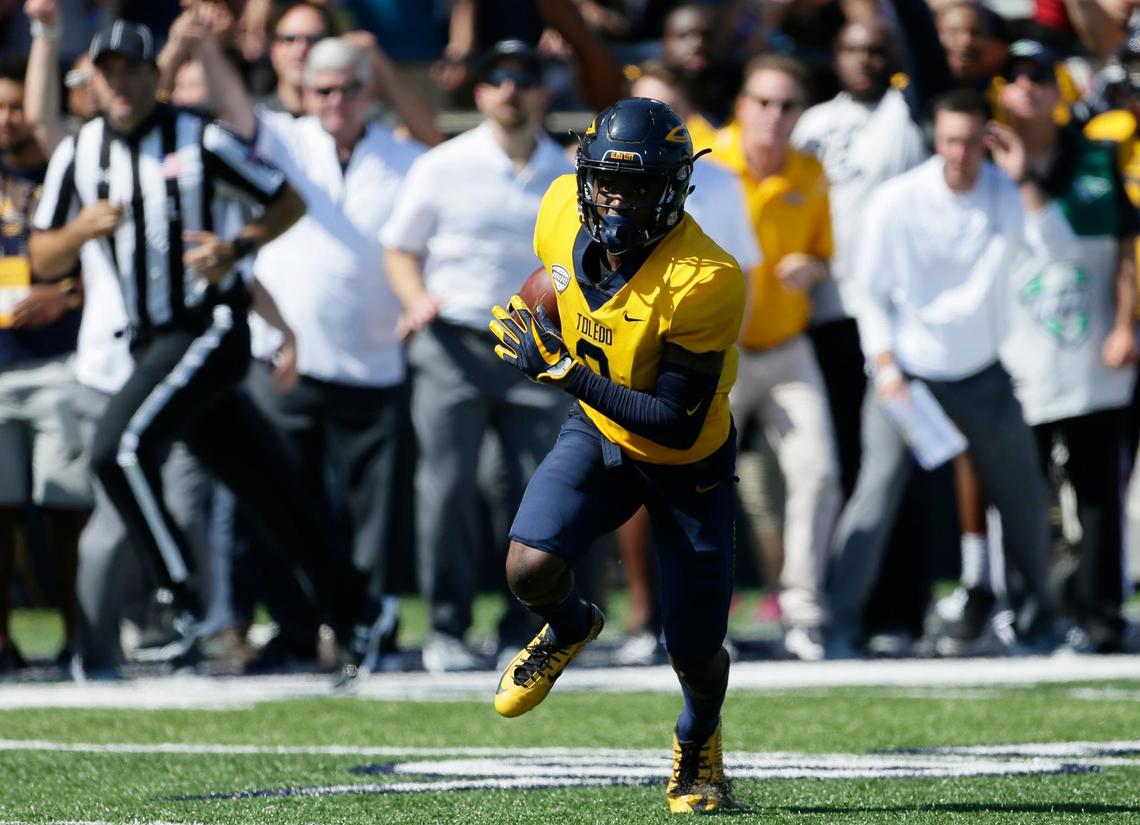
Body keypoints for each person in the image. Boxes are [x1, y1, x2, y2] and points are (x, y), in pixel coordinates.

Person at [27, 20, 371, 665]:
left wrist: (235, 246)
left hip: (211, 326)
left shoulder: (200, 136)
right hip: (151, 339)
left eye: (133, 70)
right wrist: (78, 233)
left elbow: (288, 202)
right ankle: (357, 608)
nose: (122, 83)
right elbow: (43, 256)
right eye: (110, 72)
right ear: (95, 80)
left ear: (154, 74)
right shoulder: (82, 150)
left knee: (118, 452)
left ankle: (177, 597)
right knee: (269, 489)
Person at [488, 98, 744, 813]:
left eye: (638, 187)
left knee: (693, 645)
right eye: (608, 182)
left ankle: (699, 745)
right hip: (600, 429)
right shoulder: (561, 212)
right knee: (527, 566)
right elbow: (553, 281)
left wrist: (563, 372)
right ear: (585, 178)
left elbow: (669, 419)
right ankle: (571, 624)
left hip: (686, 461)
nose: (618, 200)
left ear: (674, 190)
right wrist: (524, 313)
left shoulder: (705, 277)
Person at [193, 25, 425, 670]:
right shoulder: (283, 139)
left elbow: (435, 160)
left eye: (349, 88)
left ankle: (365, 628)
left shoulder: (402, 155)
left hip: (375, 359)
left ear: (368, 88)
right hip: (286, 360)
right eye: (321, 89)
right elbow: (234, 109)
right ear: (304, 89)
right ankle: (297, 630)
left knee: (370, 519)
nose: (335, 101)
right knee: (276, 506)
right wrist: (206, 46)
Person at [826, 89, 1075, 657]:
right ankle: (839, 626)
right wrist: (885, 363)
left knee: (1025, 498)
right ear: (936, 141)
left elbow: (1056, 249)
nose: (960, 153)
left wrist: (1023, 177)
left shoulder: (1008, 192)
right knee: (875, 493)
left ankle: (1038, 626)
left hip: (983, 374)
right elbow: (869, 293)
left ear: (989, 139)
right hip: (905, 373)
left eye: (970, 140)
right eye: (950, 140)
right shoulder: (897, 200)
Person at [382, 40, 573, 673]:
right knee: (446, 487)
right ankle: (447, 626)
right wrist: (415, 299)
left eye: (524, 77)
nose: (510, 89)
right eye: (497, 78)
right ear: (480, 92)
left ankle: (531, 624)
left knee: (535, 491)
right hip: (454, 340)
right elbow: (400, 249)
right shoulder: (443, 164)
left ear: (544, 92)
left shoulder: (568, 173)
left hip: (537, 346)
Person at [991, 41, 1137, 652]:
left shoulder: (1097, 157)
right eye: (1015, 76)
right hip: (1014, 346)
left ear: (1059, 89)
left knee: (1098, 486)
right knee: (1022, 490)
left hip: (1090, 345)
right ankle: (1026, 610)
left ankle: (1101, 612)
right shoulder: (981, 158)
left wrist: (1128, 324)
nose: (1028, 86)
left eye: (1040, 75)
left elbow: (1128, 249)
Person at [715, 53, 842, 661]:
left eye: (788, 104)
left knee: (817, 470)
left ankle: (803, 610)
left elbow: (824, 253)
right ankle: (705, 613)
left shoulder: (810, 173)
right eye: (763, 102)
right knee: (698, 480)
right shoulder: (707, 163)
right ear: (741, 105)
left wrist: (812, 268)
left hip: (788, 346)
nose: (774, 115)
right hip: (717, 349)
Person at [791, 17, 928, 499]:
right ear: (835, 56)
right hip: (829, 307)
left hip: (898, 310)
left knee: (899, 455)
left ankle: (905, 576)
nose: (864, 59)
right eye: (852, 49)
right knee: (844, 447)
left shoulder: (909, 111)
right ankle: (849, 570)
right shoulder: (811, 123)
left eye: (875, 50)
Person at [0, 54, 88, 672]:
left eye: (16, 106)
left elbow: (116, 268)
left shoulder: (73, 168)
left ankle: (81, 633)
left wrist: (64, 295)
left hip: (61, 361)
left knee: (65, 507)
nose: (8, 119)